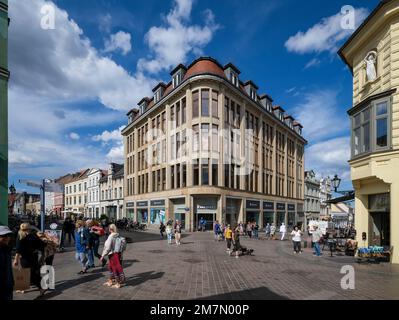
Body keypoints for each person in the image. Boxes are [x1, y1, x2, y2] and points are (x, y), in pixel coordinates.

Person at [13, 223, 46, 296]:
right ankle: (23, 288)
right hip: (31, 257)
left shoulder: (21, 236)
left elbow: (18, 249)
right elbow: (42, 245)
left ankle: (41, 288)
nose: (28, 230)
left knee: (30, 273)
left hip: (26, 257)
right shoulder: (31, 235)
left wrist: (16, 259)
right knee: (30, 273)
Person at [100, 224, 125, 289]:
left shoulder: (111, 236)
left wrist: (103, 255)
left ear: (110, 229)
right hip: (118, 254)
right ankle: (111, 280)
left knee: (114, 268)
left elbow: (107, 247)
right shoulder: (117, 235)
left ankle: (118, 283)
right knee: (111, 267)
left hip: (113, 254)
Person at [0, 226, 14, 301]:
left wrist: (11, 282)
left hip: (8, 285)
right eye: (4, 236)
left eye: (8, 235)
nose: (7, 238)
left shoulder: (7, 249)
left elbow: (8, 268)